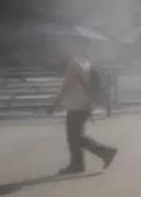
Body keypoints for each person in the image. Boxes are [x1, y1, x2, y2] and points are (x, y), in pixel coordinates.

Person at [48, 36, 117, 174]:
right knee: (76, 137)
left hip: (76, 105)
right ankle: (78, 164)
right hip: (86, 104)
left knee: (74, 137)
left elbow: (66, 87)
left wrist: (54, 105)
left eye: (72, 44)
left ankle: (102, 153)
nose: (68, 47)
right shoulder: (87, 62)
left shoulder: (74, 64)